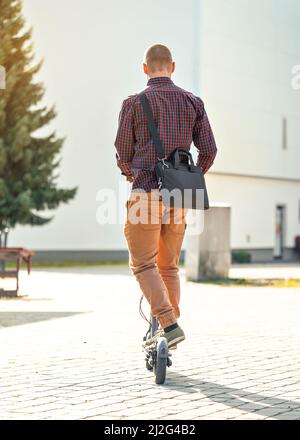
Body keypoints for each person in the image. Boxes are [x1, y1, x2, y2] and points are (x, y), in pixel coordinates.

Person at [114, 44, 217, 349]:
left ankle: (168, 325)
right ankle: (165, 336)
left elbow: (123, 152)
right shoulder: (192, 102)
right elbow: (209, 150)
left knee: (144, 265)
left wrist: (132, 173)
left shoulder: (134, 103)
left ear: (144, 68)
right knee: (168, 267)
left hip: (145, 193)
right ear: (172, 67)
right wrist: (189, 175)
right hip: (179, 198)